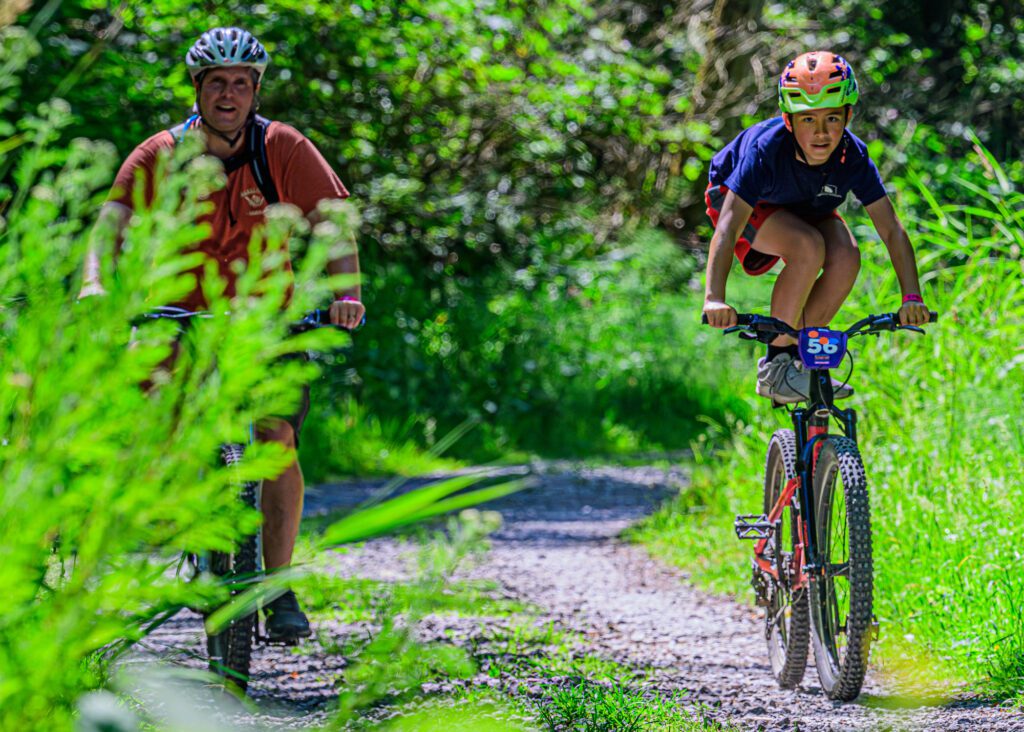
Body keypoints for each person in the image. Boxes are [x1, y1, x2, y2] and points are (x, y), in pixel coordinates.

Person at [80, 27, 365, 641]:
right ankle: (175, 508)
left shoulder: (282, 146)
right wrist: (97, 283)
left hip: (266, 319)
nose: (229, 94)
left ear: (256, 90)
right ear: (198, 89)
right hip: (176, 312)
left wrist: (347, 294)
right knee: (148, 391)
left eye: (242, 83)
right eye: (217, 83)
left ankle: (279, 584)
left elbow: (334, 222)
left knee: (277, 436)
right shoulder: (162, 151)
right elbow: (113, 223)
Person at [702, 51, 930, 403]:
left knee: (847, 255)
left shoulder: (853, 156)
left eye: (833, 119)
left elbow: (891, 230)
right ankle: (776, 368)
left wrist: (912, 297)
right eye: (808, 119)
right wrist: (715, 298)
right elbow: (730, 226)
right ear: (789, 120)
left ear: (848, 116)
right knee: (807, 246)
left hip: (807, 204)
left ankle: (803, 359)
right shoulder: (766, 150)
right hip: (741, 201)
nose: (821, 133)